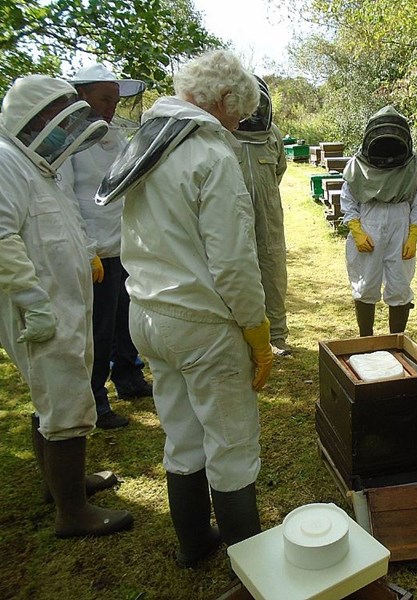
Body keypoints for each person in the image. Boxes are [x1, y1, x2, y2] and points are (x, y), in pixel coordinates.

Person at [96, 49, 271, 570]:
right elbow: (234, 262)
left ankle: (194, 545)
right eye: (236, 111)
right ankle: (251, 563)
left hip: (145, 313)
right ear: (220, 101)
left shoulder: (144, 143)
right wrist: (256, 329)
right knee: (232, 441)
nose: (237, 122)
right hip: (201, 323)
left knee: (181, 431)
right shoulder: (211, 156)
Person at [0, 75, 133, 537]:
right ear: (35, 118)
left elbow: (61, 220)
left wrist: (85, 256)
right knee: (65, 400)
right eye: (53, 121)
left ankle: (61, 485)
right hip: (38, 304)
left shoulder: (37, 163)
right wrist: (32, 302)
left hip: (61, 296)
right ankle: (72, 514)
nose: (62, 132)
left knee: (57, 392)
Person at [60, 63, 152, 431]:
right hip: (93, 250)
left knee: (125, 319)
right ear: (81, 97)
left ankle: (129, 379)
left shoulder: (114, 135)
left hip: (123, 244)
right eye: (104, 98)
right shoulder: (66, 141)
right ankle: (95, 400)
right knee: (97, 330)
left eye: (115, 99)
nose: (111, 106)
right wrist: (86, 249)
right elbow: (64, 197)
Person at [341, 105, 417, 336]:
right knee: (365, 282)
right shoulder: (357, 165)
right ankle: (365, 339)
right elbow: (348, 198)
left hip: (400, 223)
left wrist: (413, 234)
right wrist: (356, 229)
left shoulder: (413, 165)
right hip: (368, 220)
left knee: (400, 284)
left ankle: (396, 341)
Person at [233, 75, 292, 356]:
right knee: (238, 271)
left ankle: (277, 337)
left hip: (269, 217)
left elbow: (278, 170)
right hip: (232, 218)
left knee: (273, 273)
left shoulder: (274, 134)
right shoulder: (221, 135)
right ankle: (240, 335)